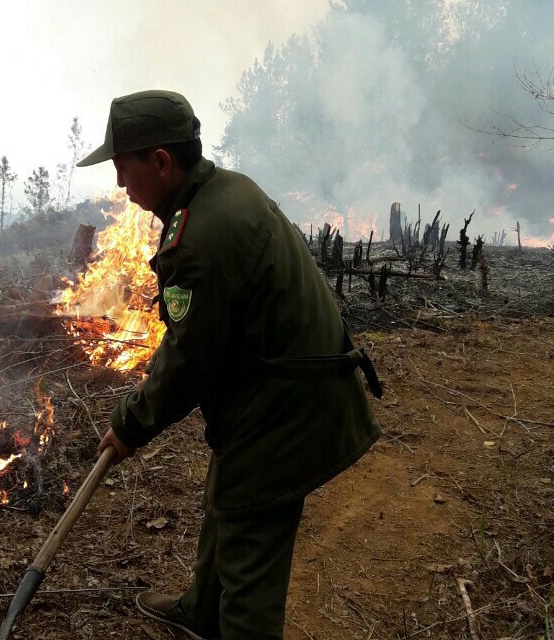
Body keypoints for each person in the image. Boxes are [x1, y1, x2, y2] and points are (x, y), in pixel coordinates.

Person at [77, 90, 381, 640]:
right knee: (228, 489)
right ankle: (201, 611)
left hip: (291, 406)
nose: (121, 185)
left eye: (124, 169)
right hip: (277, 385)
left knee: (249, 544)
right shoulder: (224, 191)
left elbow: (189, 358)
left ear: (162, 162)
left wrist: (128, 427)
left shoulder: (202, 238)